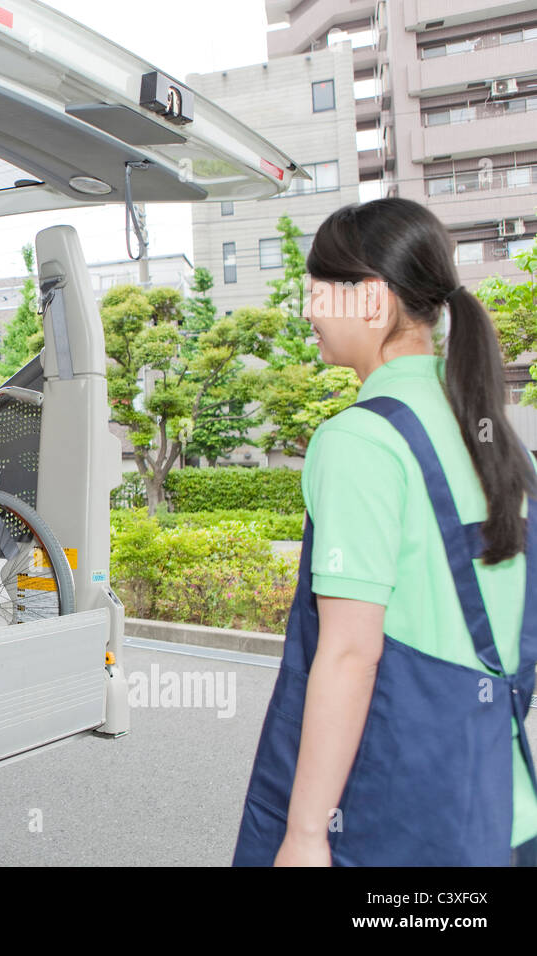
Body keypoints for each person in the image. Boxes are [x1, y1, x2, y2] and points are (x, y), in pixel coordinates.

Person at [233, 198, 537, 867]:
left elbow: (349, 654)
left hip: (388, 815)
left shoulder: (361, 441)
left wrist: (307, 834)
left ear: (371, 301)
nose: (308, 311)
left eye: (316, 290)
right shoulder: (500, 444)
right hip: (498, 805)